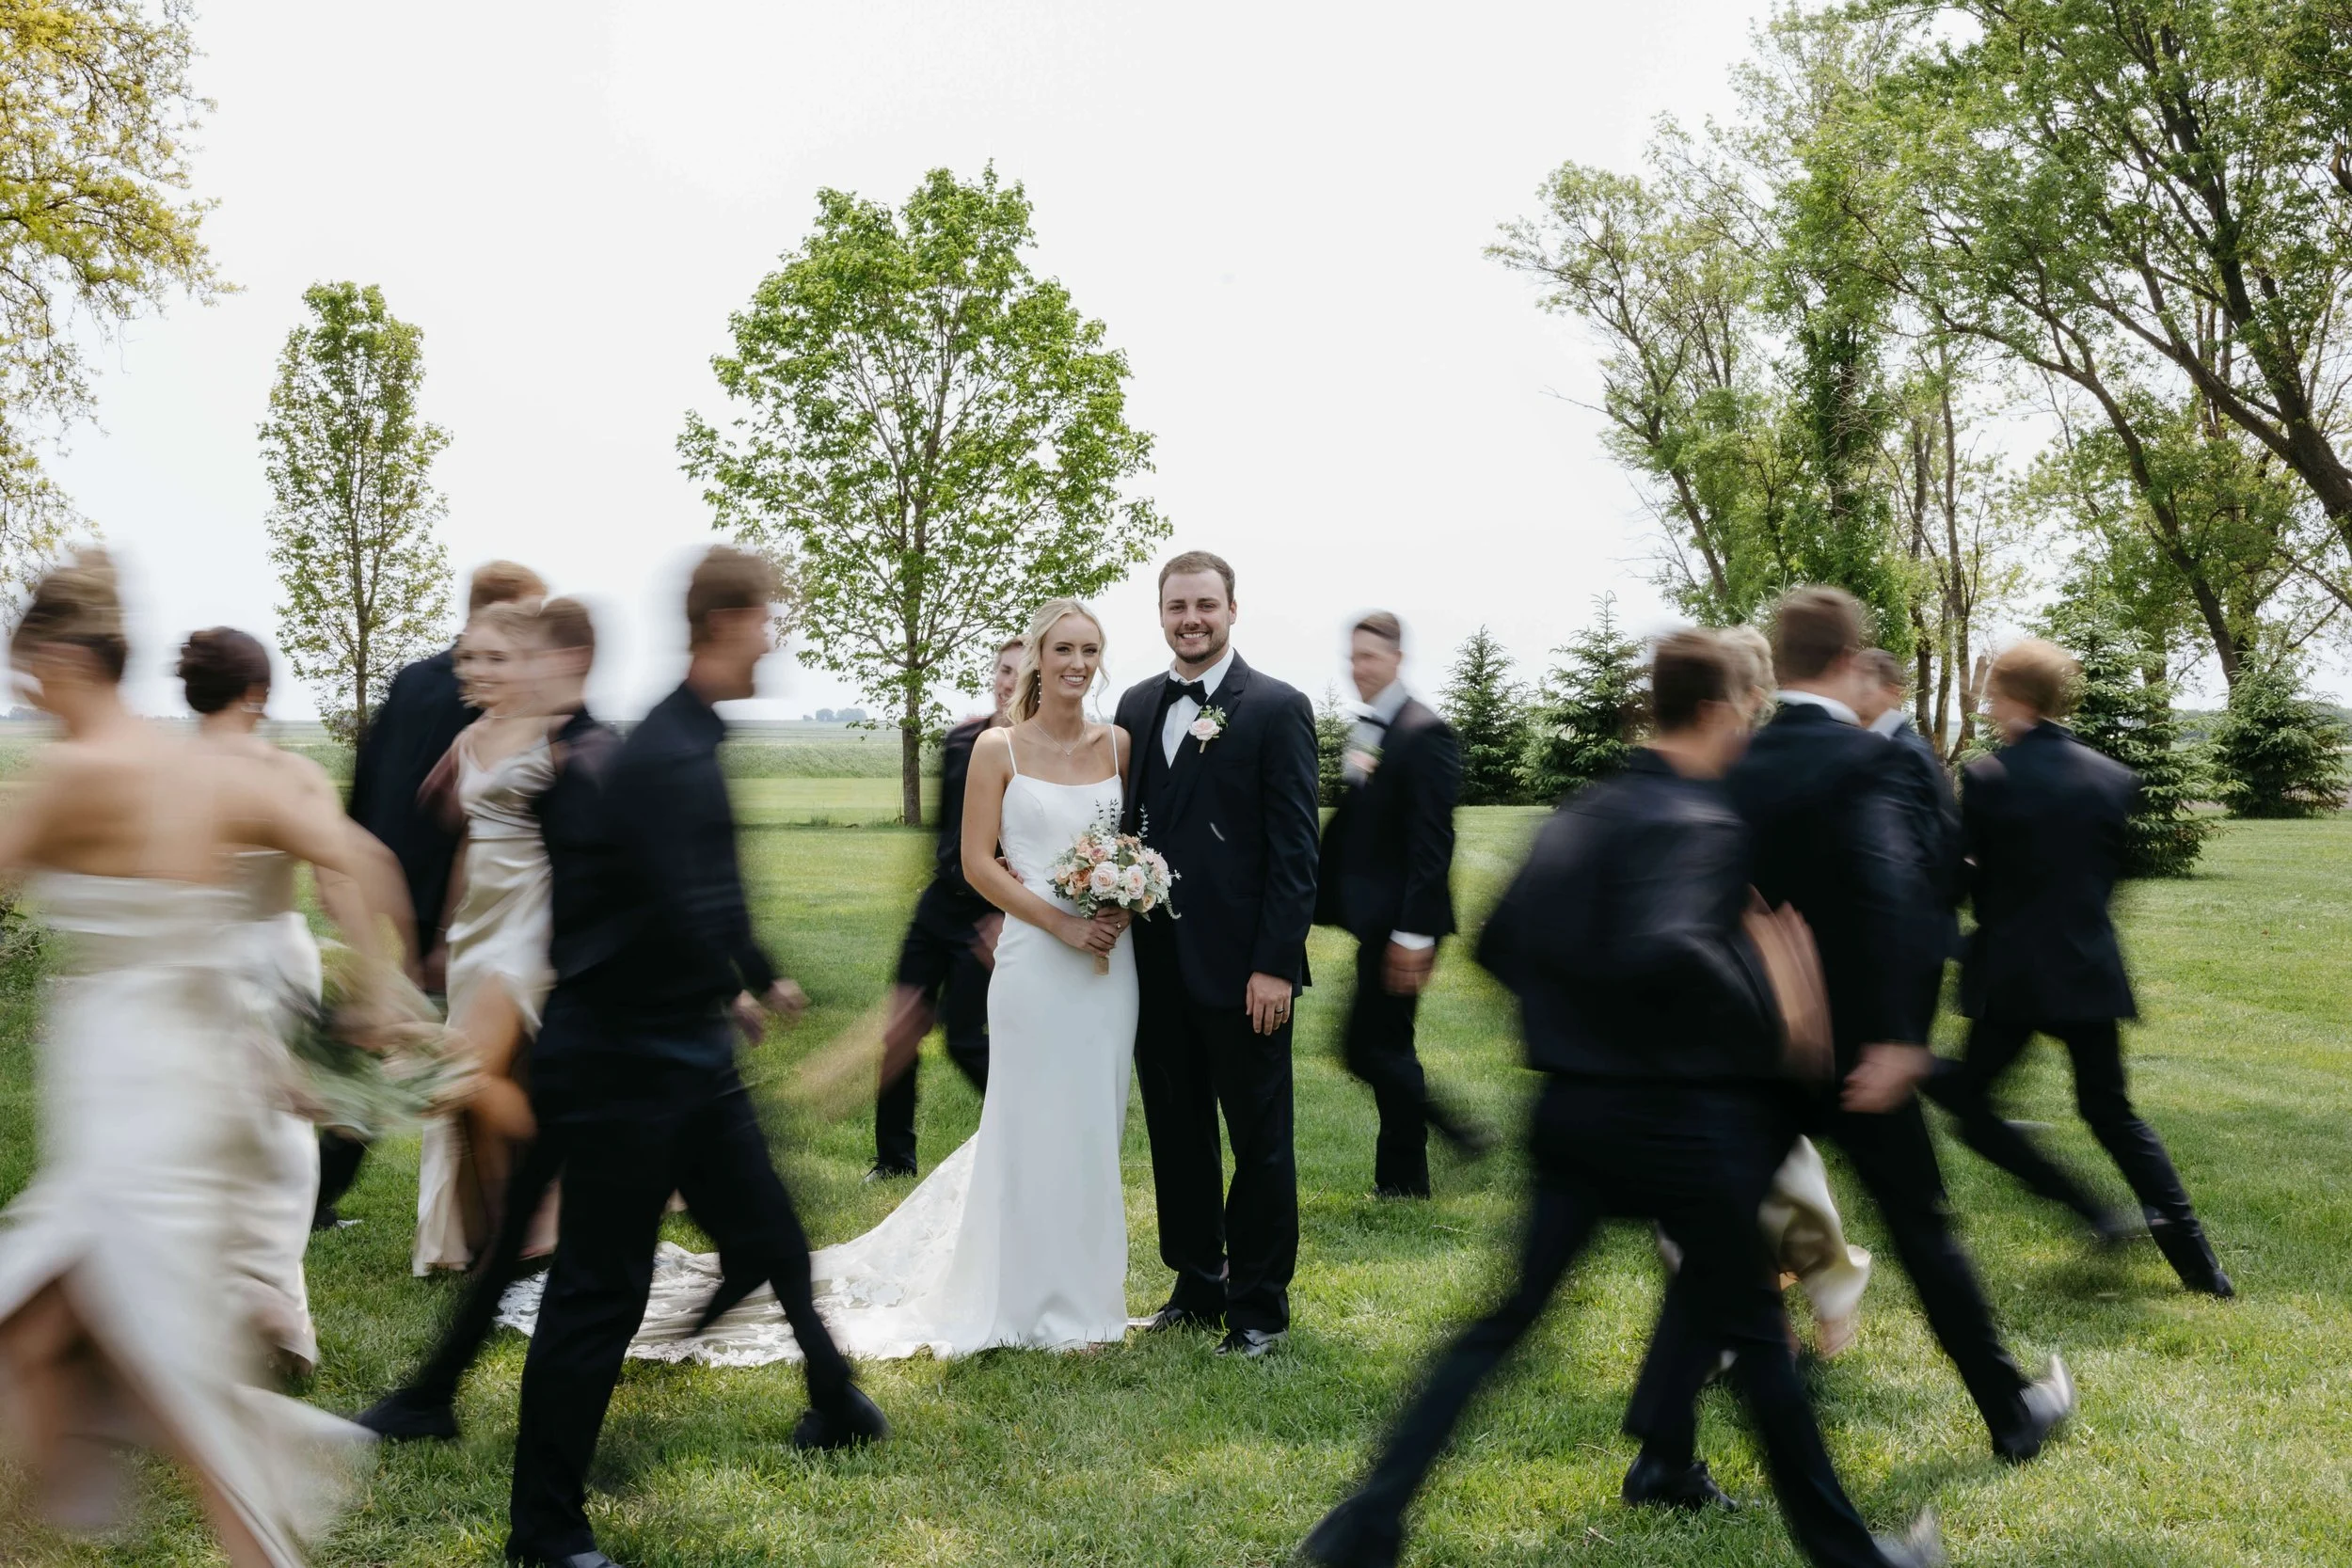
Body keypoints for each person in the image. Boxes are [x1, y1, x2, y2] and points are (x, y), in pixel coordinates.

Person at [1299, 630, 1942, 1568]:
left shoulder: (1583, 813)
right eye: (1746, 714)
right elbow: (1667, 944)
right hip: (1680, 1123)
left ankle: (1361, 1527)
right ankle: (1857, 1558)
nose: (1748, 728)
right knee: (1760, 1342)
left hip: (1571, 1112)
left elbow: (1501, 943)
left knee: (1499, 1324)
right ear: (1721, 709)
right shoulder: (1705, 823)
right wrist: (1777, 1000)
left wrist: (1576, 1028)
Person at [0, 552, 409, 1567]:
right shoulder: (213, 770)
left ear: (61, 658)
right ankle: (56, 1495)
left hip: (132, 1094)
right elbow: (366, 858)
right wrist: (373, 991)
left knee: (148, 1357)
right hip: (197, 1080)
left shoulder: (75, 776)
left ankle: (232, 1532)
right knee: (45, 1332)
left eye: (24, 674)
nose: (21, 694)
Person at [1625, 589, 2074, 1492]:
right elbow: (1899, 901)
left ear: (1781, 662)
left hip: (1755, 1054)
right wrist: (1903, 1040)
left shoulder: (1734, 766)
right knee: (1923, 1229)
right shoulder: (1862, 763)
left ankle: (1665, 1456)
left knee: (1721, 1247)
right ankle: (2012, 1408)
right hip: (1861, 1054)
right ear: (1846, 658)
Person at [504, 549, 883, 1568]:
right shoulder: (667, 749)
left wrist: (751, 973)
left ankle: (833, 1396)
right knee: (601, 1287)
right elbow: (680, 897)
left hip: (686, 1050)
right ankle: (544, 1530)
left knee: (768, 1223)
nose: (777, 639)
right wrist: (740, 982)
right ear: (727, 620)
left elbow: (713, 883)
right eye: (768, 619)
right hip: (628, 1057)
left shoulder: (690, 739)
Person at [1925, 640, 2233, 1295]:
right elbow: (2105, 877)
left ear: (2013, 699)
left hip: (2012, 977)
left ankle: (2087, 1206)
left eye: (1993, 693)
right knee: (2112, 1113)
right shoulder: (2112, 778)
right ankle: (2202, 1268)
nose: (1986, 704)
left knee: (1966, 1099)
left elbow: (1955, 880)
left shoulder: (1986, 778)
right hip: (2089, 968)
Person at [1112, 549, 1321, 1358]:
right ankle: (1197, 1280)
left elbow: (1296, 851)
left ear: (1233, 609)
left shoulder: (1274, 707)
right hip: (1154, 965)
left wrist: (1275, 962)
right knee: (1177, 1131)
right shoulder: (1135, 703)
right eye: (1176, 607)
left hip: (1245, 973)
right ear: (1160, 614)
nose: (1190, 619)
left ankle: (1259, 1305)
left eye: (1205, 604)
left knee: (1260, 1138)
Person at [181, 627, 390, 1380]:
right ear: (258, 693)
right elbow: (339, 880)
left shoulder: (164, 774)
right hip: (274, 958)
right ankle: (272, 1312)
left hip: (194, 959)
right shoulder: (289, 775)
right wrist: (373, 975)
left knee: (202, 1131)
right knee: (279, 1139)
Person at [324, 559, 546, 1228]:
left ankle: (323, 1195)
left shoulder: (412, 678)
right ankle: (527, 1210)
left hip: (390, 892)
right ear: (494, 611)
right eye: (530, 613)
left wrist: (343, 856)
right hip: (452, 904)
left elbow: (367, 774)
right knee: (449, 1057)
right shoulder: (492, 695)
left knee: (398, 1041)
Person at [1713, 622, 1872, 1358]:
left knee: (1781, 1168)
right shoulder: (1718, 764)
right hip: (1715, 990)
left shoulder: (1759, 766)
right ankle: (1753, 1317)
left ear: (1752, 693)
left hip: (1760, 991)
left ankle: (1825, 1294)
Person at [412, 598, 568, 1275]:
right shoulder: (468, 740)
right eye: (469, 656)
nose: (477, 668)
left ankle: (560, 1192)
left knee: (465, 1069)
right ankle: (509, 1228)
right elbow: (464, 842)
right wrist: (446, 934)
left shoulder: (560, 734)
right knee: (483, 1081)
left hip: (537, 920)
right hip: (480, 924)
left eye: (495, 656)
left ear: (530, 661)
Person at [1313, 610, 1489, 1199]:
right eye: (1353, 656)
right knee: (1381, 1046)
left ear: (1396, 659)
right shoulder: (1372, 729)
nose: (1357, 668)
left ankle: (1455, 1136)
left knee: (1368, 1048)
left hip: (1405, 925)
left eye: (1369, 657)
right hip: (1379, 918)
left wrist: (1415, 934)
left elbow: (1433, 843)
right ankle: (1403, 1179)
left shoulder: (1423, 732)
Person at [869, 635, 1023, 1180]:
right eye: (1003, 669)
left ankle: (1026, 1136)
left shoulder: (1033, 752)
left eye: (1021, 672)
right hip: (937, 908)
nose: (1009, 681)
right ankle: (893, 1160)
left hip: (992, 915)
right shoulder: (960, 740)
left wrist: (1005, 916)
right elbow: (945, 832)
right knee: (899, 1031)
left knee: (963, 1039)